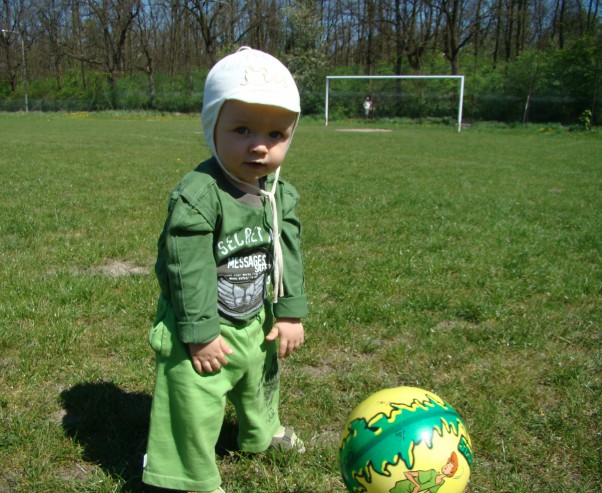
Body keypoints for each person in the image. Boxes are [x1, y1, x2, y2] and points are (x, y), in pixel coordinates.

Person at [142, 47, 308, 493]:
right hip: (201, 324)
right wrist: (198, 331)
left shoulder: (279, 193)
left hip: (256, 317)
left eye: (277, 133)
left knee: (260, 381)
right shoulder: (199, 194)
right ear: (211, 127)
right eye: (241, 129)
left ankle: (261, 433)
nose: (259, 145)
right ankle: (188, 476)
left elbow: (285, 252)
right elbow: (186, 267)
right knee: (193, 398)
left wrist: (290, 312)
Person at [389, 452, 459, 493]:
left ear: (450, 473)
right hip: (402, 488)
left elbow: (429, 492)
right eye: (447, 463)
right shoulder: (432, 473)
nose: (446, 465)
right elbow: (407, 473)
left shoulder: (441, 482)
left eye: (449, 466)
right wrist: (417, 485)